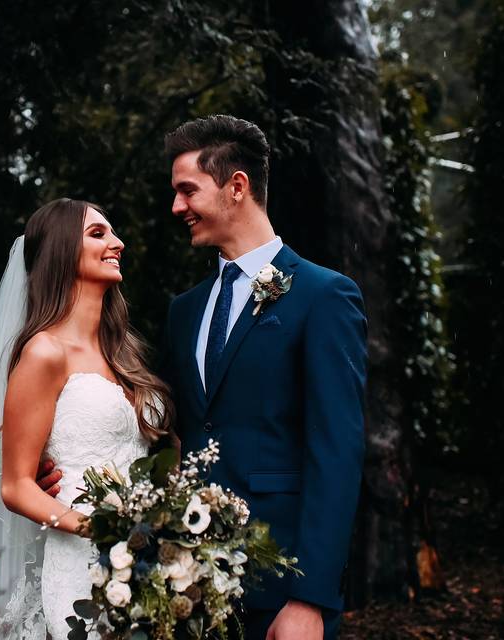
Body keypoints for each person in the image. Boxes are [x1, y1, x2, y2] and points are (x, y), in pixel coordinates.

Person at [161, 115, 367, 640]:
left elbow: (337, 453)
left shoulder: (324, 296)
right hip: (186, 587)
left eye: (187, 190)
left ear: (236, 187)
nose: (176, 207)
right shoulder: (183, 312)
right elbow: (172, 428)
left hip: (280, 589)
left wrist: (312, 598)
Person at [0, 198, 173, 639]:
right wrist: (101, 529)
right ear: (62, 251)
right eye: (98, 233)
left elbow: (152, 446)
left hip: (146, 556)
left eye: (112, 232)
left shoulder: (124, 351)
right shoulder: (44, 353)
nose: (117, 243)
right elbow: (16, 486)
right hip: (81, 556)